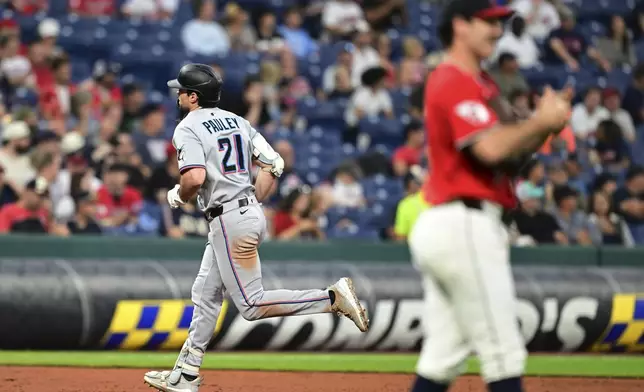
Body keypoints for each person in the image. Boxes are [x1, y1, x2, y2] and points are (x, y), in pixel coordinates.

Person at [144, 64, 369, 392]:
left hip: (228, 219)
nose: (178, 96)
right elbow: (274, 163)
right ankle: (185, 374)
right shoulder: (238, 121)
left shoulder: (188, 126)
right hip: (244, 212)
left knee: (250, 305)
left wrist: (179, 195)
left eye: (182, 91)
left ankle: (331, 297)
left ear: (194, 97)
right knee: (205, 295)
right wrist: (253, 199)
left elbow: (194, 178)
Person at [407, 1, 572, 392]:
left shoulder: (482, 83)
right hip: (462, 222)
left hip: (460, 221)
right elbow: (491, 150)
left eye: (500, 23)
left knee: (442, 359)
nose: (497, 31)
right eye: (487, 22)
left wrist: (543, 127)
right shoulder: (452, 78)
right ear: (459, 25)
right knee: (503, 354)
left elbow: (511, 157)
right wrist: (540, 123)